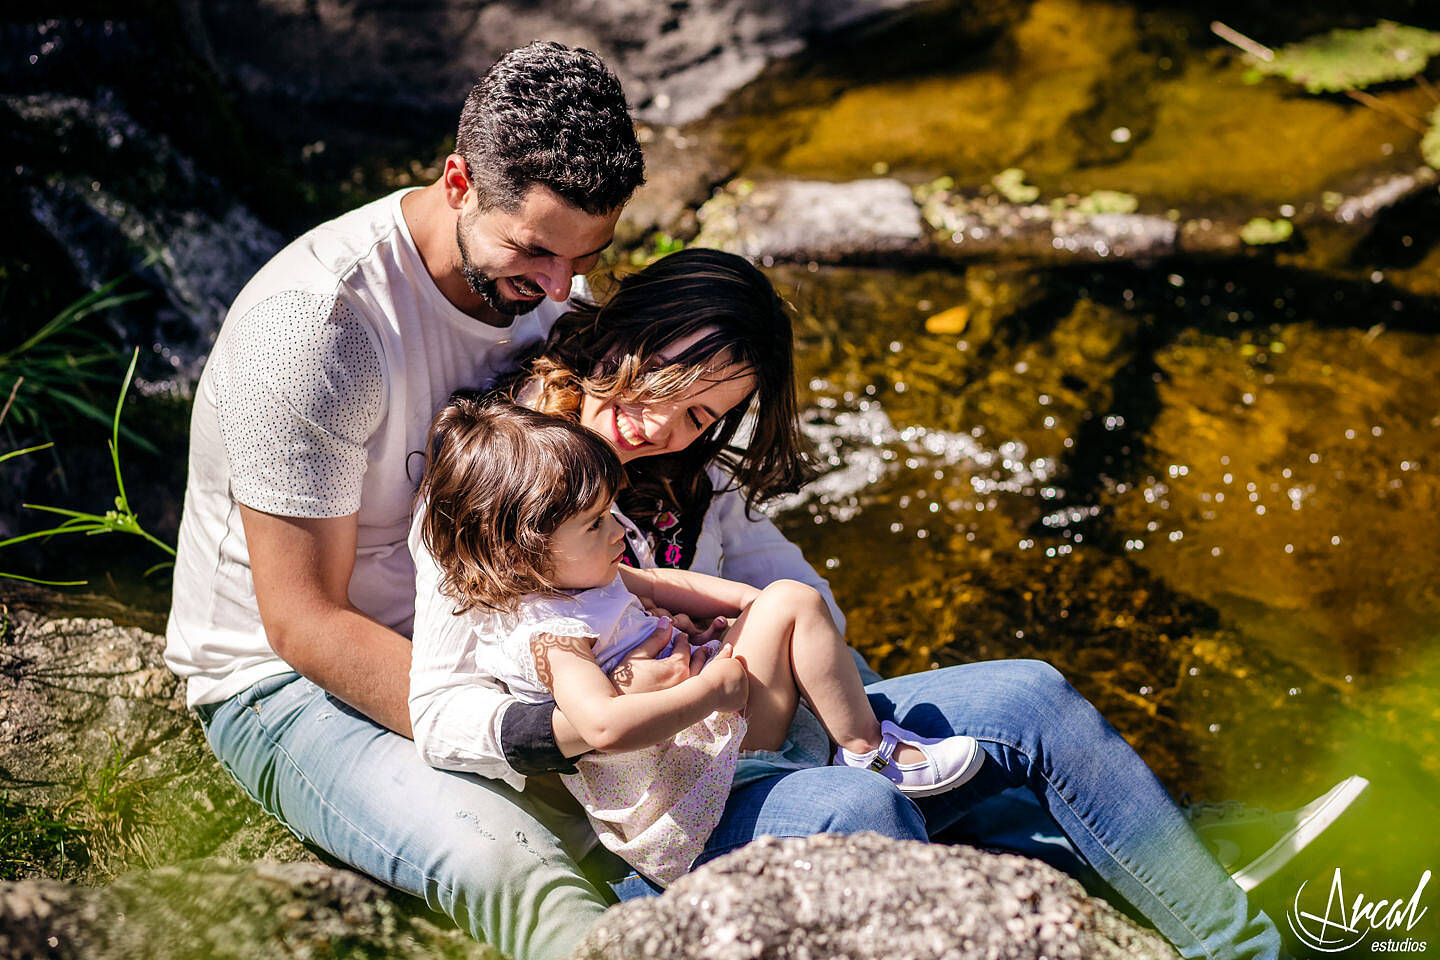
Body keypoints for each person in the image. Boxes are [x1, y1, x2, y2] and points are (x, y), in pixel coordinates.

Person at [409, 247, 1291, 960]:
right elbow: (440, 713)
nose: (664, 427)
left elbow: (799, 595)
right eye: (667, 383)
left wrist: (773, 655)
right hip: (672, 811)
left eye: (702, 415)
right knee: (862, 811)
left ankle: (1237, 945)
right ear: (622, 334)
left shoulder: (689, 475)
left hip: (761, 726)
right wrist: (590, 716)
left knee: (1032, 697)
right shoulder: (502, 493)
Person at [164, 41, 659, 960]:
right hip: (289, 685)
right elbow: (303, 622)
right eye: (535, 252)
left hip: (504, 643)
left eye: (586, 256)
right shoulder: (320, 327)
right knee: (517, 873)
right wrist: (534, 737)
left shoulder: (547, 292)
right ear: (458, 181)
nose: (560, 290)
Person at [408, 399, 985, 885]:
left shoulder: (584, 576)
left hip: (706, 742)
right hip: (687, 786)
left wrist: (746, 606)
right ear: (519, 551)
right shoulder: (551, 634)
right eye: (595, 523)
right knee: (794, 601)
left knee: (784, 602)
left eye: (610, 512)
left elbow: (665, 583)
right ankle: (869, 752)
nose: (617, 529)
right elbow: (602, 726)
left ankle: (857, 743)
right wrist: (710, 691)